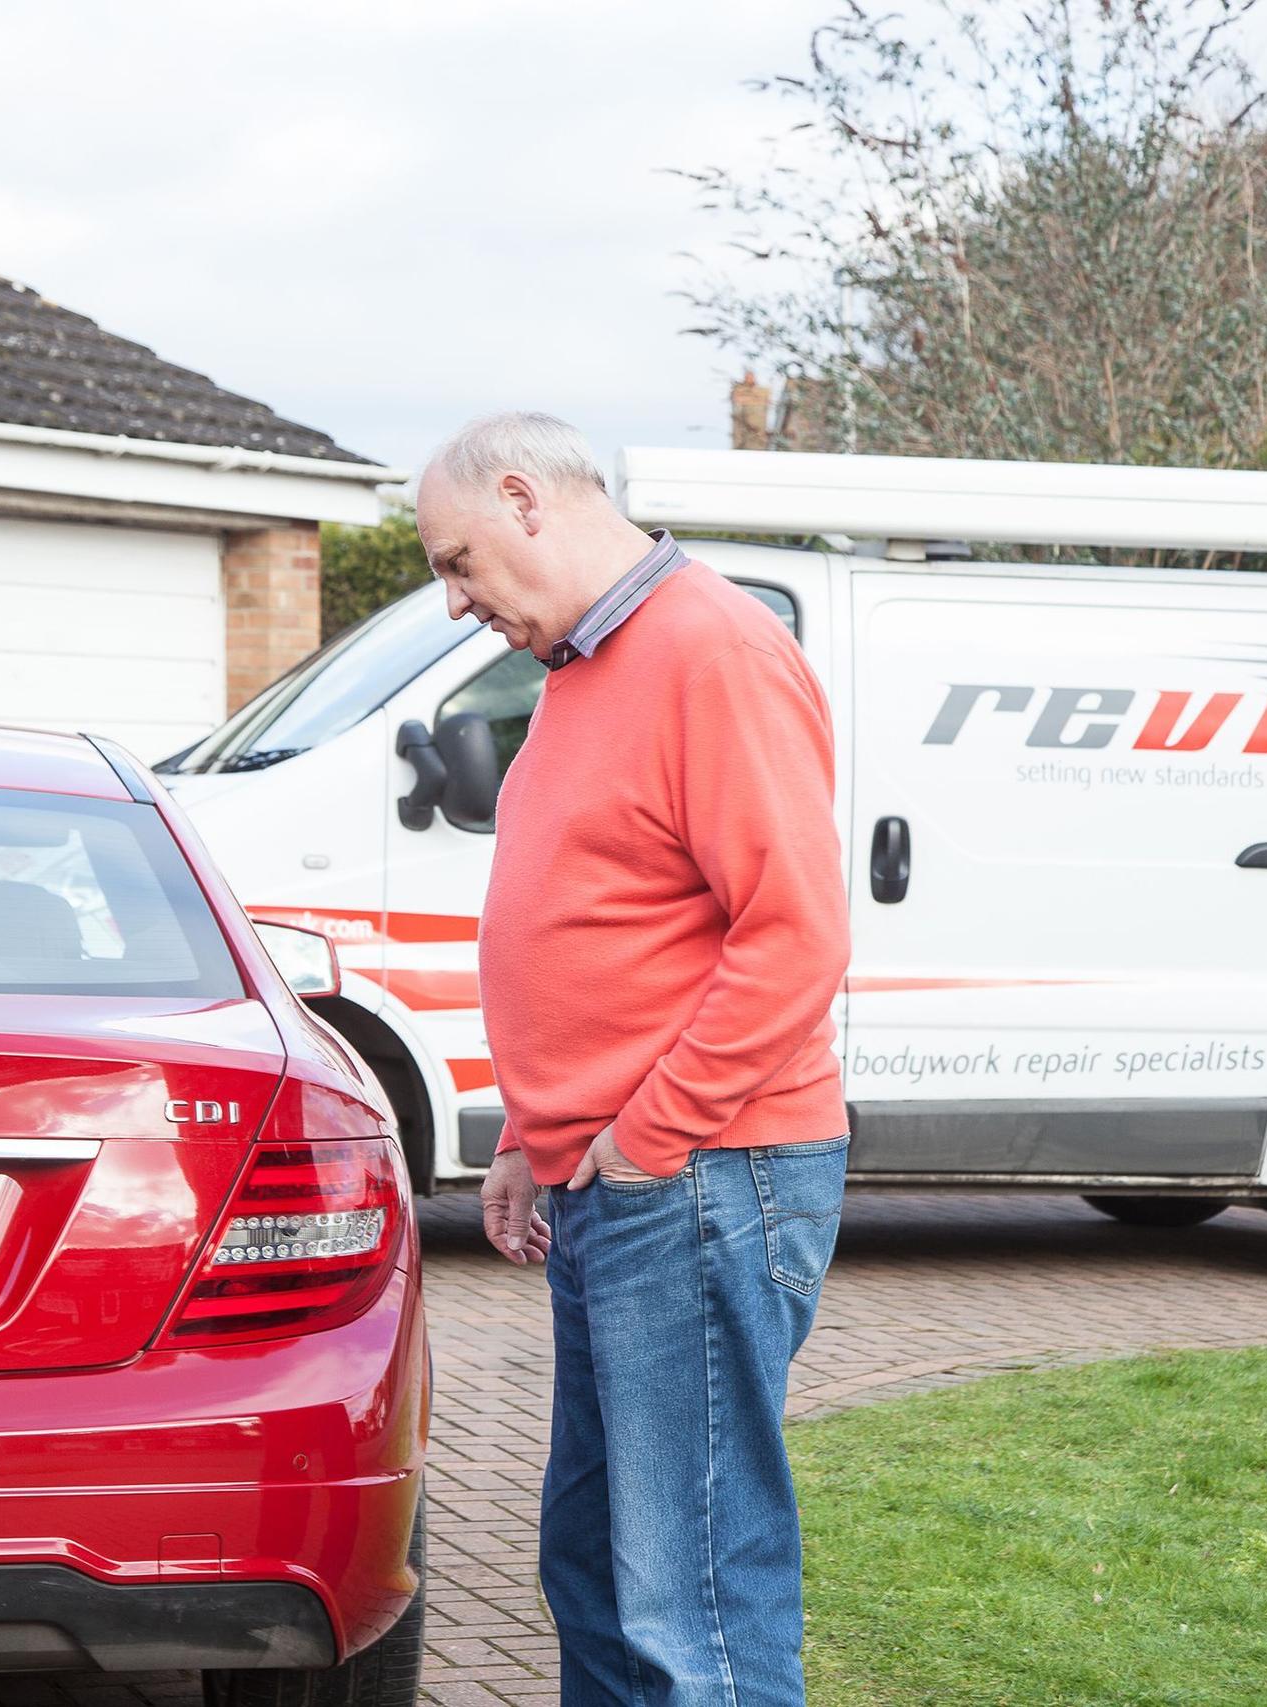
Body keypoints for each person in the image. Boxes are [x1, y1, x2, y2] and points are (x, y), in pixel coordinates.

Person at [420, 413, 852, 1707]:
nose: (454, 601)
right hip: (622, 1177)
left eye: (458, 561)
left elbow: (795, 933)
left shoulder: (711, 648)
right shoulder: (582, 669)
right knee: (599, 1574)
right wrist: (529, 1132)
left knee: (693, 1599)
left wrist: (648, 1138)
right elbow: (607, 923)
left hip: (703, 1178)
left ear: (525, 498)